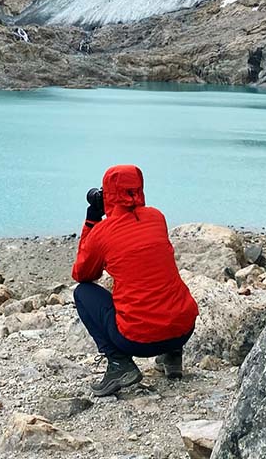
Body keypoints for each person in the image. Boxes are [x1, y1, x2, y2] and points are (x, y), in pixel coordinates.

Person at [72, 164, 198, 396]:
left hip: (137, 340)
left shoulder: (102, 232)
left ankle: (119, 364)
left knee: (83, 292)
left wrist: (91, 222)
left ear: (108, 194)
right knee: (159, 280)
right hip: (183, 329)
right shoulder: (157, 218)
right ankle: (172, 356)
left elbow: (83, 274)